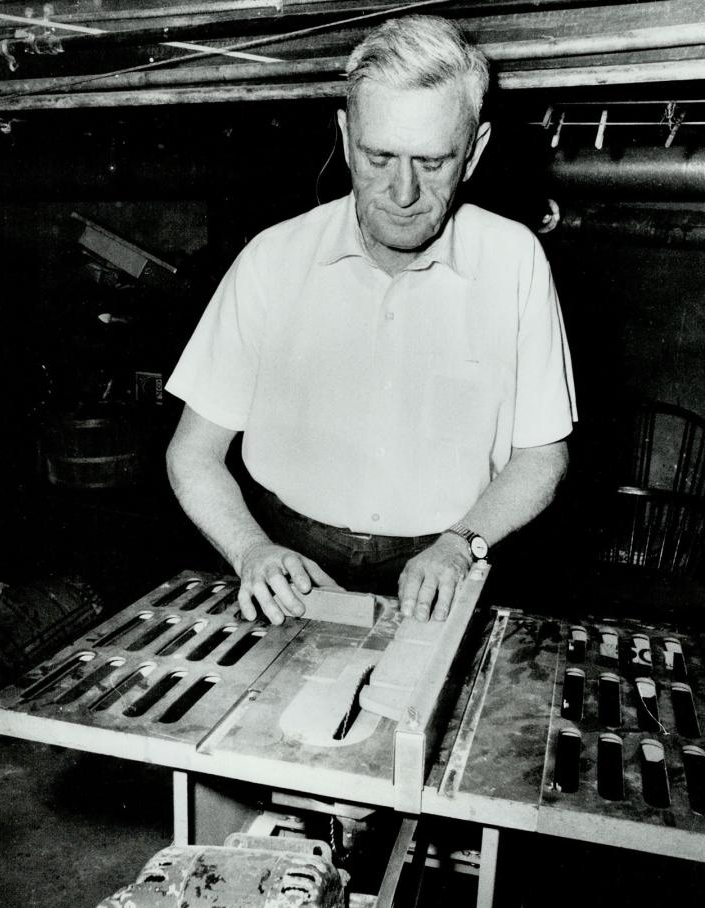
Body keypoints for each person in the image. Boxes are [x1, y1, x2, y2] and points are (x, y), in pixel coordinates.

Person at [166, 14, 576, 627]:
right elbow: (193, 454)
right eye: (379, 156)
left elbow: (542, 457)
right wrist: (250, 549)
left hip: (451, 560)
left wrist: (462, 545)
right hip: (288, 564)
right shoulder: (272, 260)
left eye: (432, 162)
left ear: (475, 152)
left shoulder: (514, 262)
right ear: (344, 133)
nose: (403, 192)